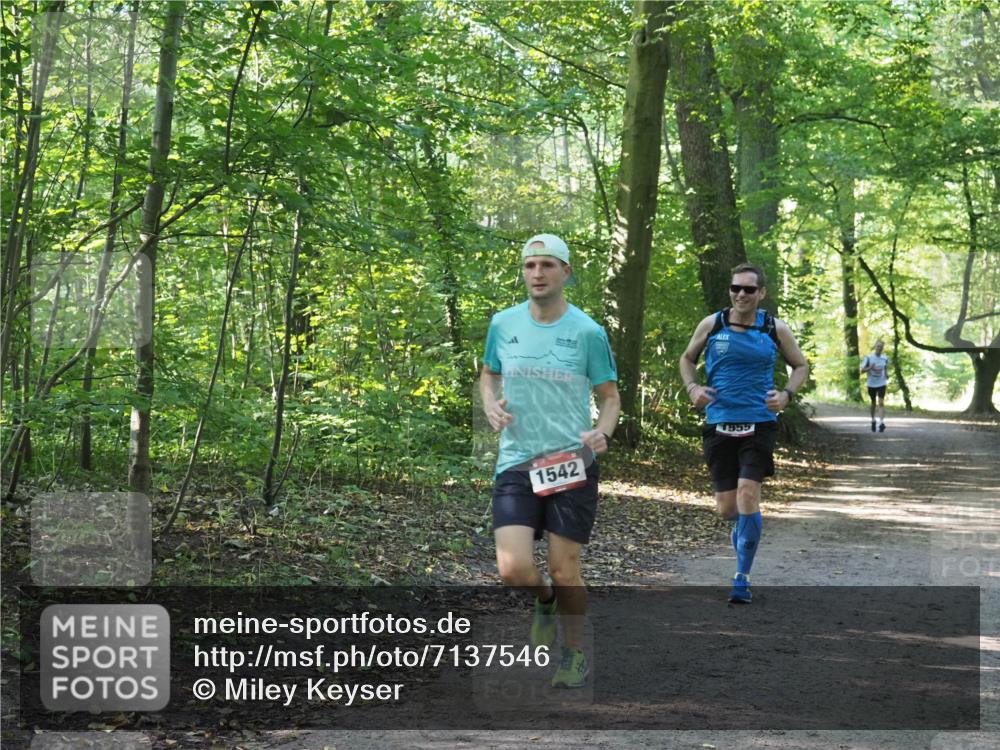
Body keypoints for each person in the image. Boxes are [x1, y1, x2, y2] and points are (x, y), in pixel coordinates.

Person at [480, 233, 620, 688]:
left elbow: (610, 397)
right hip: (517, 460)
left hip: (570, 461)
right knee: (513, 569)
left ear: (566, 272)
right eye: (530, 265)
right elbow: (488, 373)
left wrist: (603, 431)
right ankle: (543, 601)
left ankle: (574, 653)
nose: (537, 273)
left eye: (547, 265)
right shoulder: (503, 323)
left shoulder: (587, 332)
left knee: (565, 568)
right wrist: (489, 404)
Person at [678, 263, 809, 604]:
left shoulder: (773, 328)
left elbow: (801, 365)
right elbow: (687, 358)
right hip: (719, 421)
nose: (741, 294)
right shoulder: (713, 324)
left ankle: (741, 578)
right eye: (736, 288)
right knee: (727, 509)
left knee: (748, 494)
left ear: (761, 293)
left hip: (759, 423)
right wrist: (692, 387)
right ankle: (742, 530)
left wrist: (786, 395)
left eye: (749, 289)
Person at [861, 340, 889, 432]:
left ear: (883, 348)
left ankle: (881, 423)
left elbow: (885, 368)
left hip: (881, 383)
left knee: (881, 402)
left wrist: (886, 375)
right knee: (873, 403)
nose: (879, 348)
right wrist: (870, 367)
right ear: (875, 347)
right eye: (878, 346)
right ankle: (873, 420)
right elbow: (862, 371)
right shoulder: (868, 358)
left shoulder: (885, 358)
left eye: (881, 347)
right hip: (871, 384)